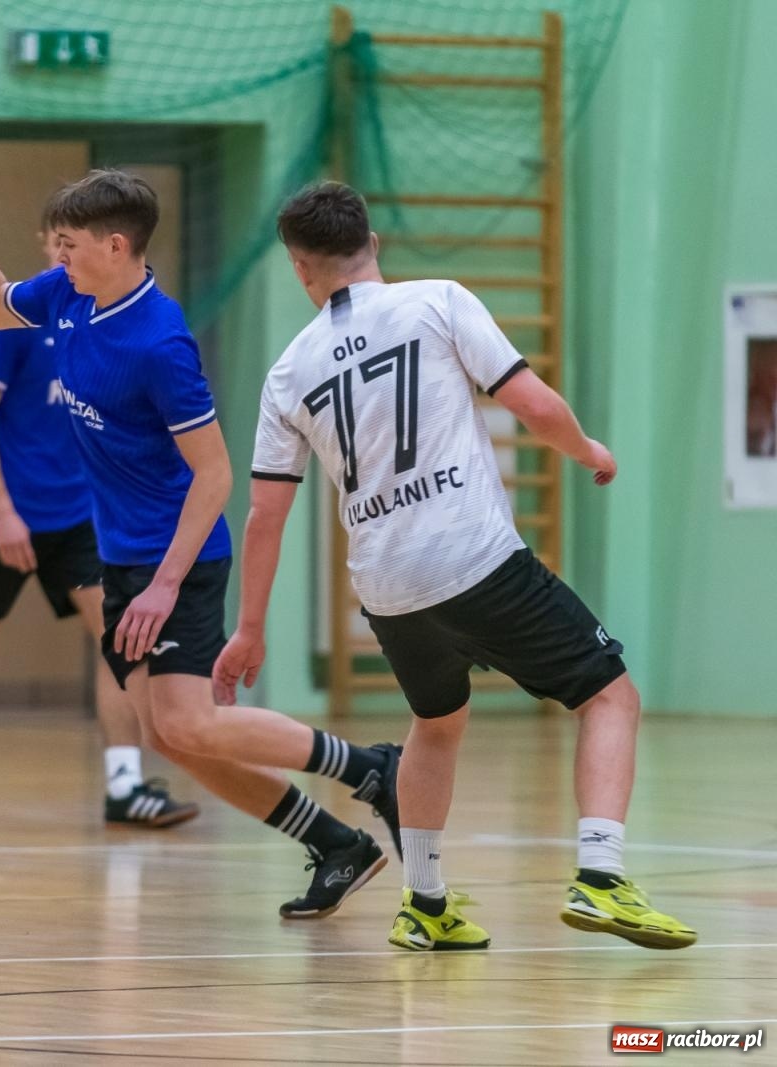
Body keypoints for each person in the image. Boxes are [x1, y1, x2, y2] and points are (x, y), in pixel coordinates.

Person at [217, 180, 695, 950]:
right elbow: (533, 405)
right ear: (373, 245)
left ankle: (425, 901)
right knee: (610, 694)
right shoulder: (437, 300)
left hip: (386, 587)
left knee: (435, 725)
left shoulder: (288, 371)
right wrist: (589, 451)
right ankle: (602, 878)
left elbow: (265, 514)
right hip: (472, 560)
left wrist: (248, 629)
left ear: (301, 270)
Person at [0, 164, 402, 918]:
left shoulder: (160, 344)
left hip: (175, 559)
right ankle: (336, 842)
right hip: (120, 553)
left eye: (67, 245)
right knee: (173, 738)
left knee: (185, 724)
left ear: (116, 246)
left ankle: (369, 766)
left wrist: (162, 583)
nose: (55, 259)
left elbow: (215, 476)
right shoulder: (68, 294)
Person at [0, 231, 199, 830]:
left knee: (118, 637)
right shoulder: (19, 321)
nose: (61, 255)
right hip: (6, 515)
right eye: (54, 244)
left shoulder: (120, 326)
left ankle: (124, 784)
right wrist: (1, 511)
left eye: (71, 244)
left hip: (81, 519)